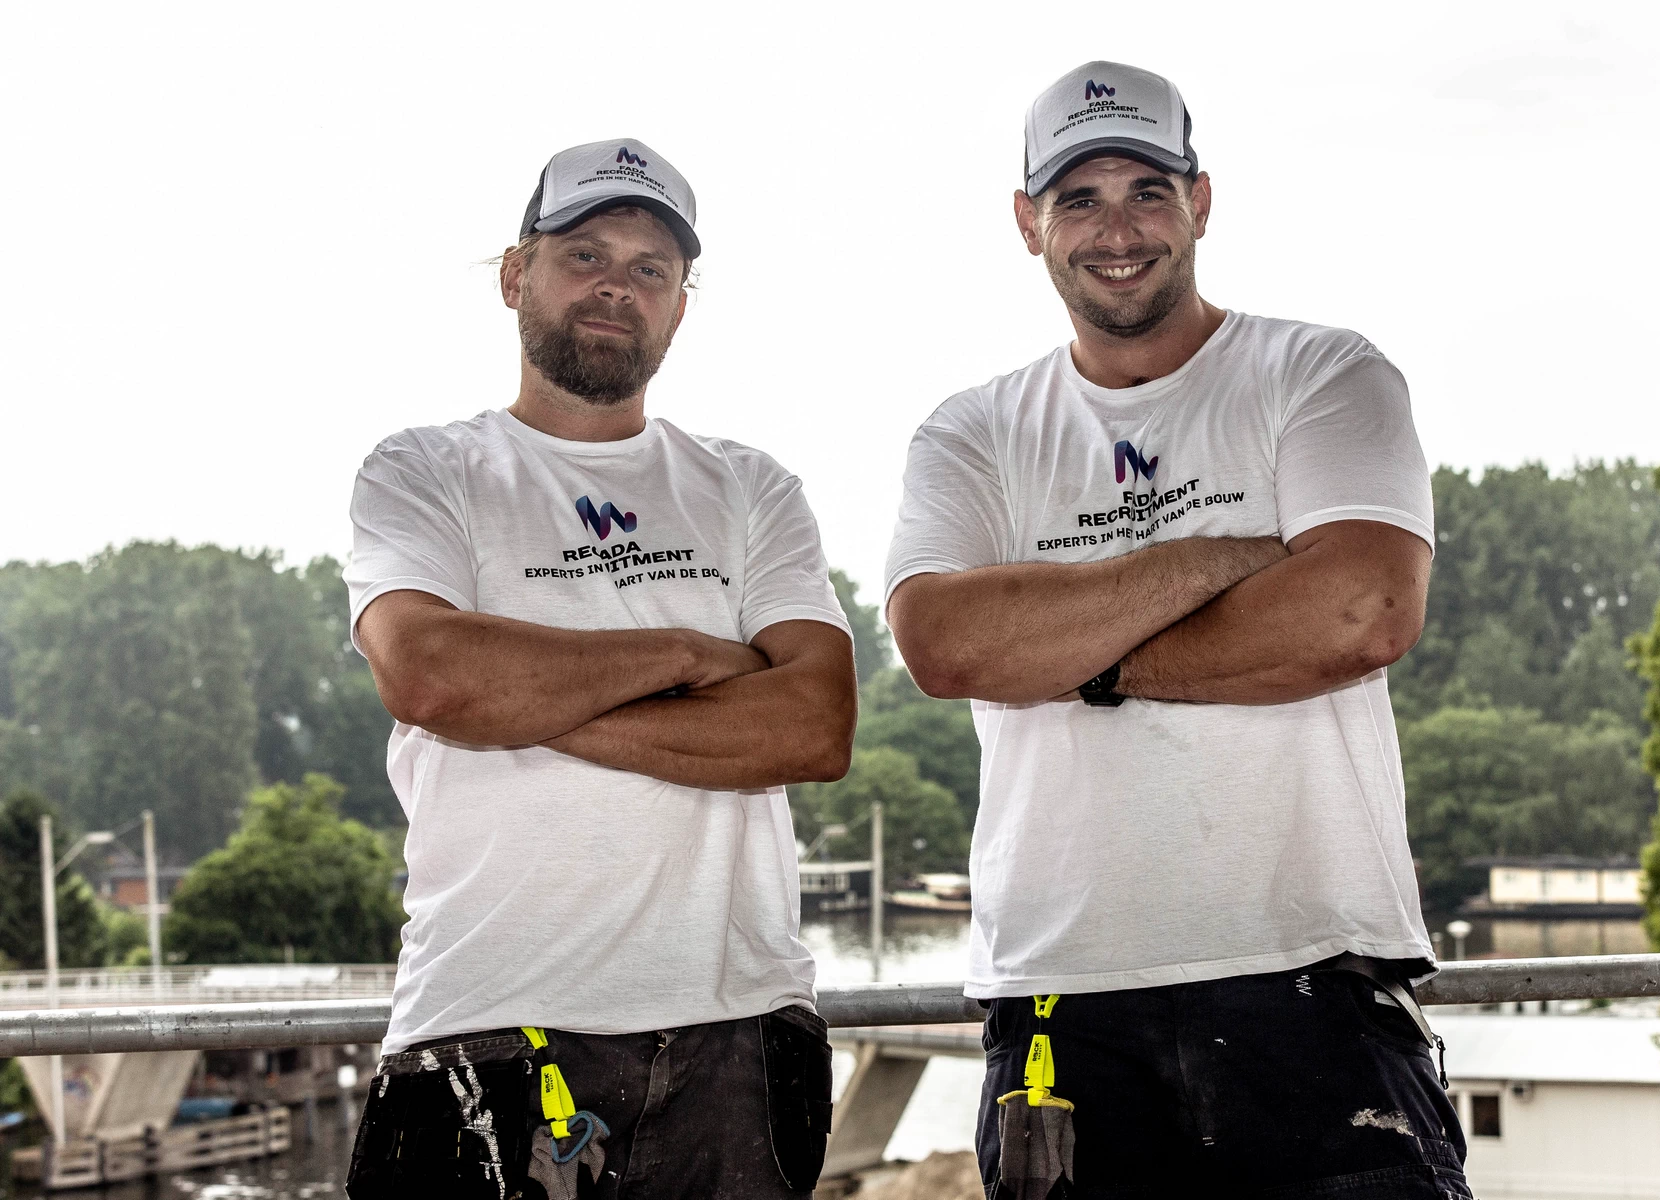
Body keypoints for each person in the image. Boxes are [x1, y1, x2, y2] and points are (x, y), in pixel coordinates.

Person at [884, 62, 1472, 1198]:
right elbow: (946, 648)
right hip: (1063, 1005)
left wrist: (1065, 654)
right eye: (1079, 199)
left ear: (1202, 201)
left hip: (1318, 980)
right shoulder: (971, 433)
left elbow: (1359, 607)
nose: (1118, 229)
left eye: (1147, 190)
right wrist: (1218, 562)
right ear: (1027, 224)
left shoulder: (1322, 373)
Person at [341, 138, 855, 1200]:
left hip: (737, 1032)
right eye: (584, 253)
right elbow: (432, 677)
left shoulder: (749, 488)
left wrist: (518, 701)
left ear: (678, 303)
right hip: (488, 1028)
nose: (618, 284)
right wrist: (681, 656)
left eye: (651, 268)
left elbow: (812, 725)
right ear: (515, 275)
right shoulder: (426, 471)